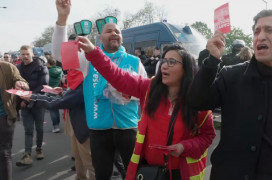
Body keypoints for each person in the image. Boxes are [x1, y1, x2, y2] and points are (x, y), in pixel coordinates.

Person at [77, 36, 216, 180]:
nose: (164, 66)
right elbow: (117, 75)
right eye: (164, 61)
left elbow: (207, 136)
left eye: (172, 62)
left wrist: (184, 147)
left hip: (182, 173)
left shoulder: (199, 102)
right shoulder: (149, 88)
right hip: (150, 172)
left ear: (186, 69)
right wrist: (93, 51)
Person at [188, 9, 272, 180]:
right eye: (256, 31)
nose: (260, 36)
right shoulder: (231, 75)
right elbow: (196, 101)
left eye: (269, 30)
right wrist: (212, 61)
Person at [53, 1, 147, 179]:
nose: (114, 33)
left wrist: (123, 93)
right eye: (108, 31)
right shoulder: (88, 58)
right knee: (102, 175)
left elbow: (144, 92)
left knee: (135, 174)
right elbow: (59, 53)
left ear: (122, 38)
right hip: (98, 129)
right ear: (100, 38)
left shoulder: (135, 61)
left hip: (128, 127)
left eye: (117, 31)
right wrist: (62, 18)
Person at [19, 75, 95, 180]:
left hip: (84, 126)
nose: (69, 72)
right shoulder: (82, 78)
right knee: (79, 158)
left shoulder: (86, 80)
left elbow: (63, 101)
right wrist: (64, 91)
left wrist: (34, 97)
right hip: (78, 124)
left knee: (89, 162)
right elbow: (70, 96)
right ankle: (80, 177)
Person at [15, 45, 49, 166]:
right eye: (22, 54)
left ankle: (39, 149)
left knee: (39, 128)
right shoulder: (17, 68)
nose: (24, 56)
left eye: (27, 54)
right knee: (28, 130)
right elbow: (15, 85)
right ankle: (27, 155)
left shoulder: (41, 67)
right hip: (24, 104)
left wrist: (28, 99)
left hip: (38, 103)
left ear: (32, 54)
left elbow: (43, 86)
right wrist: (20, 100)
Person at [0, 61, 28, 180]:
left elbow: (20, 80)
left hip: (3, 116)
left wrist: (20, 83)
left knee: (4, 153)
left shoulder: (7, 67)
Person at [47, 57, 64, 133]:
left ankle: (56, 126)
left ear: (48, 63)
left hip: (51, 91)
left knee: (53, 110)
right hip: (60, 90)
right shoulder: (60, 70)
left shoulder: (48, 71)